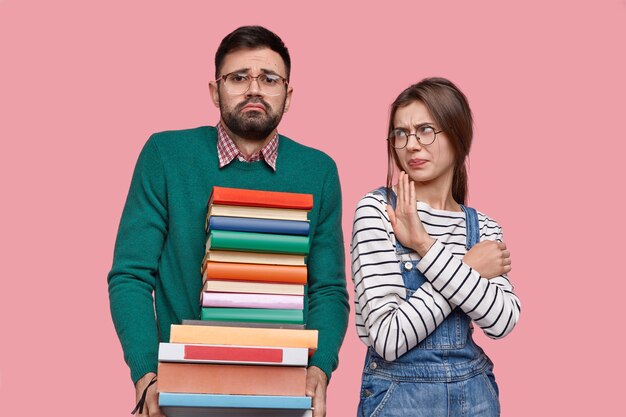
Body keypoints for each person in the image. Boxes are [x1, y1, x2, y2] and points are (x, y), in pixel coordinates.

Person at [108, 26, 349, 417]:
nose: (254, 89)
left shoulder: (318, 171)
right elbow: (131, 275)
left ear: (287, 97)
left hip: (283, 392)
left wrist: (319, 369)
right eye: (238, 77)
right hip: (181, 391)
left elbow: (328, 288)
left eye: (269, 79)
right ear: (214, 90)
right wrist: (146, 374)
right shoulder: (166, 155)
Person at [351, 78, 521, 416]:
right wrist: (468, 268)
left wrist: (425, 248)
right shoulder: (378, 211)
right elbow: (387, 338)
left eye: (425, 130)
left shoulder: (483, 227)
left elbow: (502, 321)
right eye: (400, 133)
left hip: (476, 398)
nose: (411, 144)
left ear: (458, 136)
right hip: (399, 397)